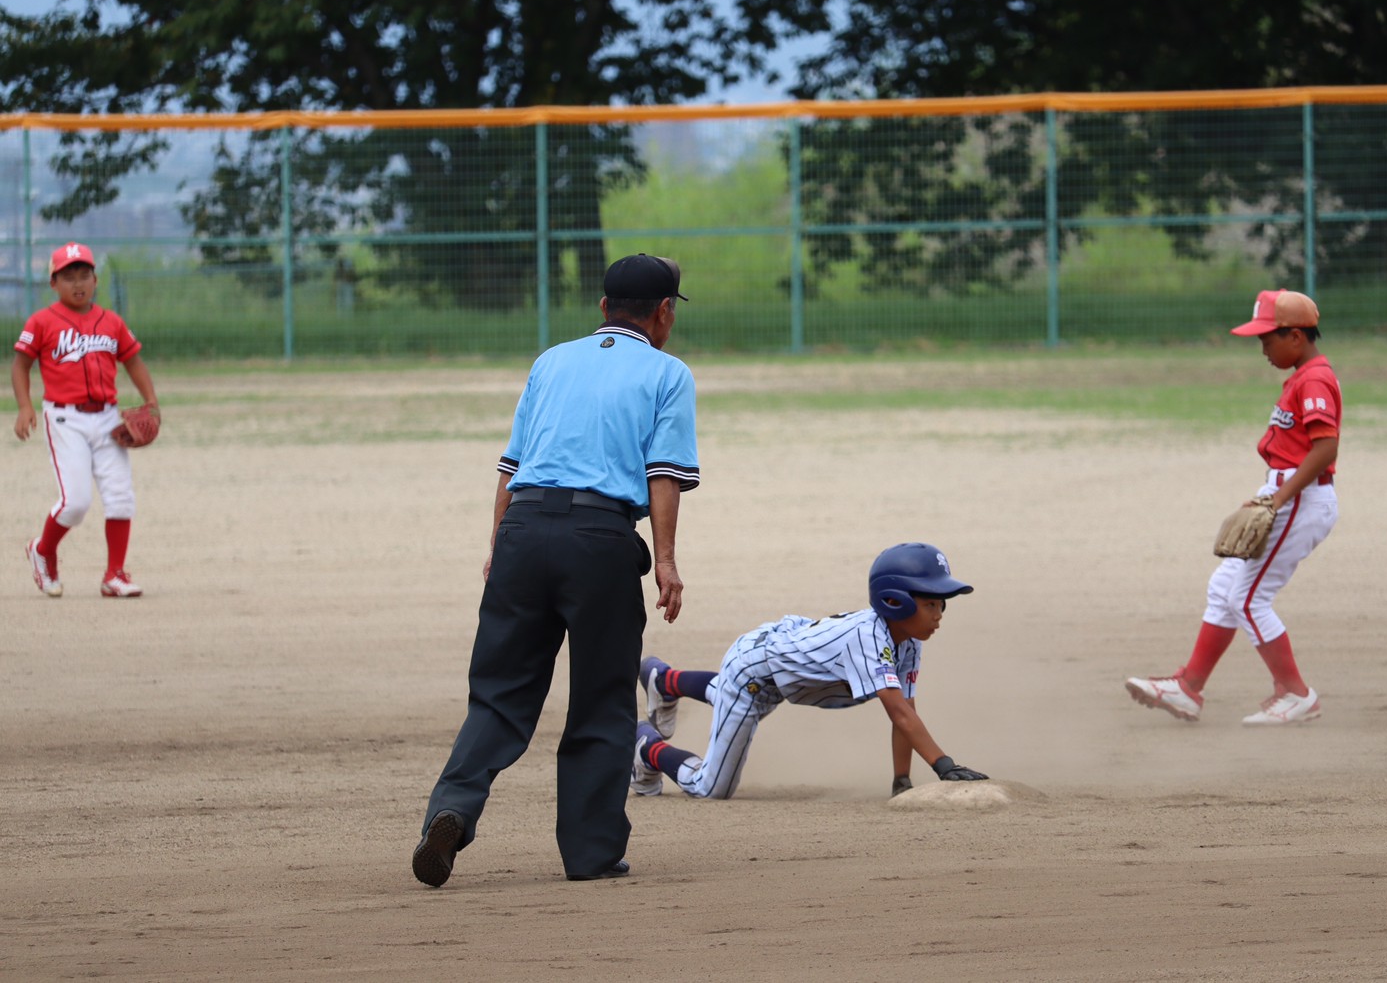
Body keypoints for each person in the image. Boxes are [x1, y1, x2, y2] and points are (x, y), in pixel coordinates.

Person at [412, 253, 700, 887]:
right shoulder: (668, 374)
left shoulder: (550, 361)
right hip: (599, 540)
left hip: (523, 530)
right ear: (663, 313)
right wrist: (668, 563)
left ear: (602, 309)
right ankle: (591, 853)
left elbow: (511, 468)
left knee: (498, 697)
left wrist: (499, 546)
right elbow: (663, 477)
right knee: (600, 702)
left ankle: (452, 810)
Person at [1125, 288, 1340, 726]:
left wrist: (1278, 498)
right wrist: (1269, 493)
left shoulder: (1315, 379)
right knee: (1225, 586)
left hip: (1301, 499)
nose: (1262, 349)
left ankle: (1297, 694)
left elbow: (1325, 447)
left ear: (1295, 336)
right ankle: (1188, 688)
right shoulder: (1302, 376)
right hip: (1287, 495)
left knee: (1248, 597)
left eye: (1268, 339)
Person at [630, 542, 988, 800]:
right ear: (895, 601)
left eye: (942, 604)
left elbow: (906, 715)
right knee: (712, 788)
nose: (939, 613)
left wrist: (901, 781)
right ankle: (649, 747)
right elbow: (899, 712)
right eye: (930, 603)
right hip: (754, 673)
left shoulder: (908, 641)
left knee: (737, 689)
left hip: (772, 664)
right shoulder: (869, 639)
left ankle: (665, 680)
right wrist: (943, 764)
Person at [12, 242, 159, 598]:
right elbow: (20, 365)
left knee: (121, 497)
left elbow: (133, 361)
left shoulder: (111, 321)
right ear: (53, 283)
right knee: (75, 503)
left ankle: (115, 575)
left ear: (95, 279)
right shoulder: (42, 321)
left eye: (84, 275)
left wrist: (151, 401)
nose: (77, 283)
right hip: (65, 419)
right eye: (68, 277)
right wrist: (25, 407)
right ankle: (43, 551)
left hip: (107, 418)